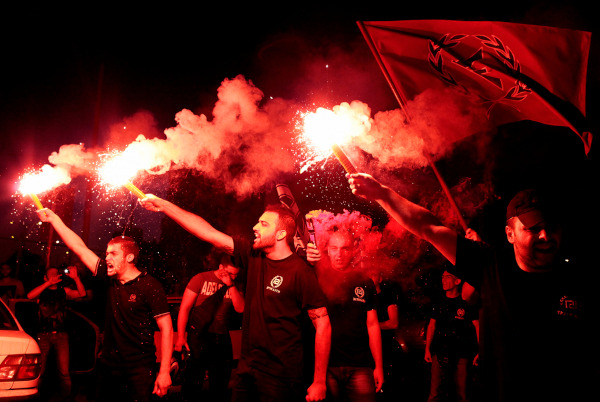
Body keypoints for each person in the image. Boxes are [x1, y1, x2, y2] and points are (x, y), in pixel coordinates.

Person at [347, 174, 596, 401]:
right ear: (510, 234)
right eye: (532, 228)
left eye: (550, 227)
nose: (544, 236)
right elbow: (427, 226)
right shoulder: (490, 265)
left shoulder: (579, 278)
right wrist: (381, 192)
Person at [140, 196, 331, 402]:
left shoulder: (301, 271)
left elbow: (323, 325)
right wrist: (164, 205)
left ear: (281, 234)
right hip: (247, 371)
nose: (255, 226)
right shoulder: (252, 256)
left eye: (264, 224)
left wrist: (319, 380)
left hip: (282, 376)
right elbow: (209, 233)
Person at [36, 208, 173, 402]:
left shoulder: (150, 286)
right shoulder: (109, 277)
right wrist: (55, 219)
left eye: (113, 254)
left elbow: (166, 328)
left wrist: (164, 371)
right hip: (108, 365)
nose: (107, 257)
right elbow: (79, 247)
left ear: (130, 258)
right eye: (107, 253)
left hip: (139, 368)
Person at [306, 228, 384, 402]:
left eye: (345, 248)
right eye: (334, 248)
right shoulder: (316, 277)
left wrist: (378, 366)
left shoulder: (364, 282)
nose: (339, 254)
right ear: (327, 250)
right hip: (326, 365)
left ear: (353, 251)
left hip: (360, 365)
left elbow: (372, 325)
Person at [176, 251, 245, 402]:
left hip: (222, 337)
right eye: (230, 273)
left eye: (235, 274)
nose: (232, 276)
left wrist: (231, 284)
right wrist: (181, 337)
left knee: (220, 383)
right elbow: (185, 308)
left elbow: (240, 308)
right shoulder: (201, 279)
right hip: (200, 337)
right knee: (194, 380)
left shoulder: (234, 284)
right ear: (221, 267)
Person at [27, 265, 86, 401]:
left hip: (61, 335)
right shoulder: (41, 291)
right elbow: (30, 295)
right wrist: (48, 283)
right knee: (39, 371)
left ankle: (65, 398)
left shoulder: (63, 290)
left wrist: (76, 278)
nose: (54, 276)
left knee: (64, 372)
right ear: (45, 277)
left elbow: (82, 294)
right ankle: (34, 397)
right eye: (51, 274)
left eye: (56, 274)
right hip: (43, 335)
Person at [424, 269, 479, 402]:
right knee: (435, 392)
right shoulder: (439, 301)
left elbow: (477, 326)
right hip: (439, 350)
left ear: (457, 281)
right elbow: (432, 325)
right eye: (442, 277)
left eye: (448, 277)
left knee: (462, 392)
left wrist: (480, 350)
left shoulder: (466, 301)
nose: (443, 280)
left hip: (461, 353)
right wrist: (427, 349)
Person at [369, 270, 401, 401]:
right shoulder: (365, 297)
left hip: (386, 345)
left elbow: (393, 323)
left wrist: (373, 327)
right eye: (368, 275)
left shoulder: (388, 296)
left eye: (373, 274)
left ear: (380, 279)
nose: (370, 277)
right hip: (368, 346)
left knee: (387, 384)